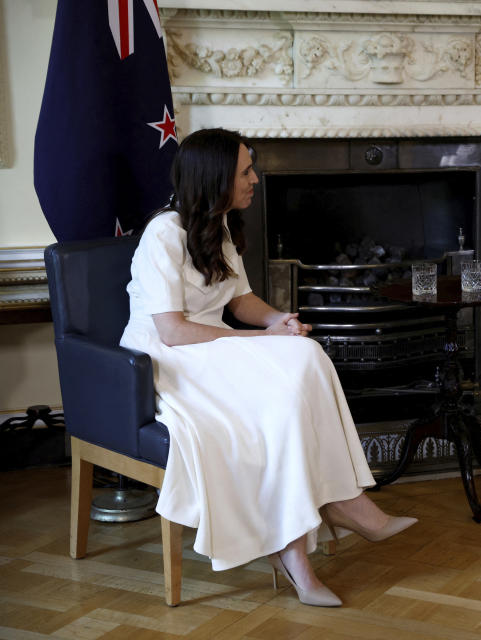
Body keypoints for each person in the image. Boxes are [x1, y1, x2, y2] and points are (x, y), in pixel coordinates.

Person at [119, 128, 416, 607]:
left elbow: (241, 299)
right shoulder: (164, 234)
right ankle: (331, 514)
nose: (255, 179)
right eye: (245, 172)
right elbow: (172, 331)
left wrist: (277, 319)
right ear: (215, 178)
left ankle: (317, 526)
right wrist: (260, 339)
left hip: (213, 351)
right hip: (166, 362)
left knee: (305, 353)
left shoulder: (217, 226)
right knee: (293, 365)